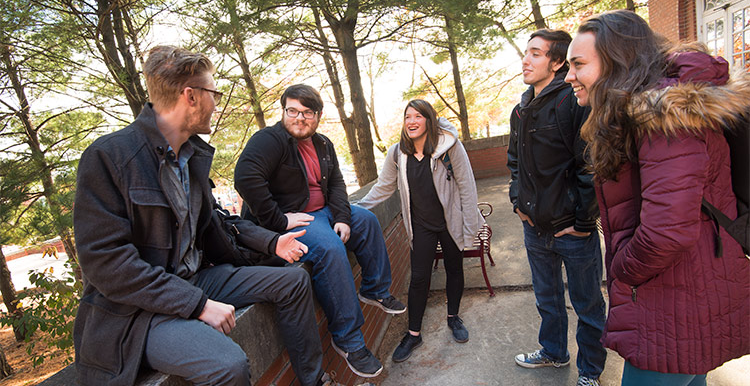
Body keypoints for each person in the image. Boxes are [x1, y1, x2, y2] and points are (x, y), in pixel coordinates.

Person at [73, 46, 335, 386]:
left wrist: (272, 242)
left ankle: (314, 381)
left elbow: (218, 220)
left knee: (294, 280)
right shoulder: (110, 157)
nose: (217, 103)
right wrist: (197, 305)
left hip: (197, 278)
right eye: (214, 93)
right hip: (139, 311)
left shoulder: (190, 156)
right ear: (191, 96)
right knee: (226, 365)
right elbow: (106, 264)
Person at [566, 10, 750, 385]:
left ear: (618, 61)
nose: (569, 76)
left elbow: (667, 232)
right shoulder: (649, 112)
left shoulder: (664, 118)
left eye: (578, 64)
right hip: (688, 291)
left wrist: (622, 269)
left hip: (677, 301)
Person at [233, 84, 405, 378]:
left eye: (307, 112)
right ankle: (349, 341)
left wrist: (342, 217)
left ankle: (374, 289)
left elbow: (336, 183)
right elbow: (246, 179)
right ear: (284, 111)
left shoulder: (323, 143)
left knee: (365, 220)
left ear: (318, 115)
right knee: (330, 248)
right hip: (295, 221)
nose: (299, 118)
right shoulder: (269, 141)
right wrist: (279, 220)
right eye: (292, 111)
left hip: (324, 212)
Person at [507, 29, 606, 386]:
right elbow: (515, 161)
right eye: (526, 52)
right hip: (534, 228)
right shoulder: (521, 108)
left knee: (588, 304)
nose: (526, 59)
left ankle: (590, 371)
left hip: (572, 231)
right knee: (547, 300)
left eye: (536, 54)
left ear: (558, 61)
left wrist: (582, 221)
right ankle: (553, 352)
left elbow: (589, 166)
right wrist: (517, 201)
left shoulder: (572, 103)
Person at [357, 99, 484, 362]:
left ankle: (454, 318)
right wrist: (354, 208)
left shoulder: (449, 148)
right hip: (421, 226)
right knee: (419, 279)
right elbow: (384, 187)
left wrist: (471, 225)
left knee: (454, 269)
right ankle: (414, 334)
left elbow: (467, 186)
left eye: (418, 116)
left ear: (429, 120)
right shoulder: (397, 153)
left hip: (450, 222)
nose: (412, 121)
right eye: (407, 117)